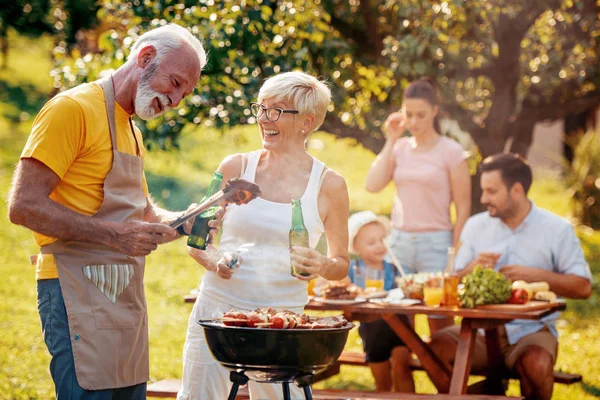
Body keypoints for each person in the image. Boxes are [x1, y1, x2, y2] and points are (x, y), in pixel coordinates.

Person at [7, 24, 206, 399]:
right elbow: (23, 206)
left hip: (123, 297)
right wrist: (115, 235)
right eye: (175, 82)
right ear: (146, 58)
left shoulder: (131, 128)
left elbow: (143, 212)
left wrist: (183, 221)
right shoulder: (73, 109)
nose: (177, 99)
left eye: (186, 92)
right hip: (72, 290)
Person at [178, 71, 350, 400]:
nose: (263, 119)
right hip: (217, 315)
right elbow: (198, 240)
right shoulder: (234, 168)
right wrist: (215, 260)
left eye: (276, 111)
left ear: (306, 121)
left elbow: (341, 263)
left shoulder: (329, 185)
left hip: (282, 322)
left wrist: (322, 265)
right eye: (261, 108)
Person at [429, 153, 593, 400]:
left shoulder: (556, 229)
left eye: (491, 191)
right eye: (483, 191)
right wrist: (471, 268)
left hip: (531, 330)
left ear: (516, 190)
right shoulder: (475, 226)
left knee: (537, 365)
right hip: (477, 332)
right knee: (435, 351)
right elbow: (453, 280)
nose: (484, 199)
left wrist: (538, 276)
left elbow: (583, 287)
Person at [365, 77, 471, 333]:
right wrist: (391, 139)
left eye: (420, 115)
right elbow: (373, 184)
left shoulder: (452, 152)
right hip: (399, 245)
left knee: (441, 325)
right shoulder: (399, 148)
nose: (413, 122)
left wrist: (453, 256)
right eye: (408, 114)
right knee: (400, 327)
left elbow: (464, 209)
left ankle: (445, 373)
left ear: (435, 111)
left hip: (436, 244)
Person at [347, 211, 415, 393]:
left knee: (402, 369)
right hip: (372, 332)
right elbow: (337, 287)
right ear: (356, 247)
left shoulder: (394, 270)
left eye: (382, 240)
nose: (379, 246)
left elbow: (408, 290)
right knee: (382, 382)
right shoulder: (352, 271)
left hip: (399, 328)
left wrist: (408, 285)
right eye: (371, 242)